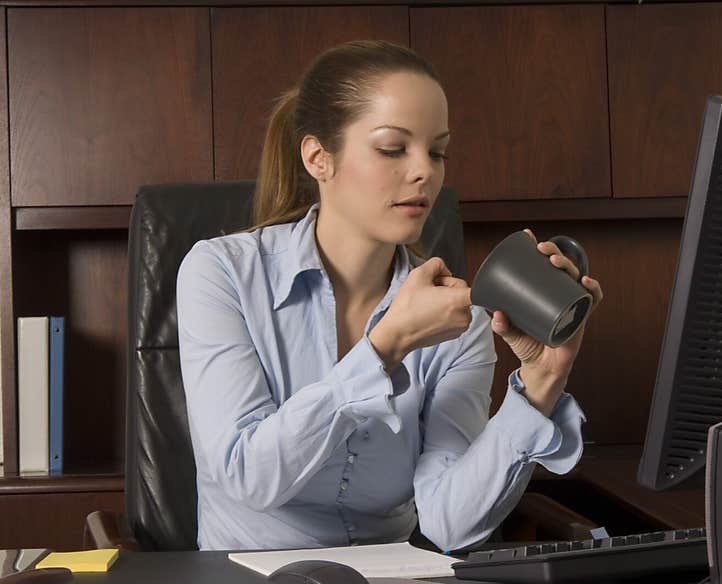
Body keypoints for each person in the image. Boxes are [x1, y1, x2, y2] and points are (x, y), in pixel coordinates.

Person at [176, 40, 603, 553]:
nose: (425, 171)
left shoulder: (460, 321)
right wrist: (382, 351)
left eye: (437, 151)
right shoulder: (219, 273)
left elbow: (449, 523)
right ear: (318, 158)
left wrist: (541, 383)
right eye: (393, 148)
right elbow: (246, 475)